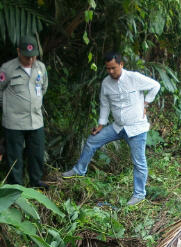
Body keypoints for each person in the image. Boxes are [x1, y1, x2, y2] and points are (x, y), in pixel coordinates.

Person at [62, 52, 161, 206]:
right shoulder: (106, 83)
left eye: (113, 68)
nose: (110, 72)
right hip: (117, 126)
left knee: (139, 162)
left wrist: (146, 103)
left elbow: (155, 85)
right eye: (108, 69)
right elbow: (105, 105)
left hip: (136, 128)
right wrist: (101, 124)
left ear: (121, 65)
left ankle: (139, 195)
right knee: (92, 141)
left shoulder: (134, 78)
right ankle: (79, 170)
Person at [0, 35, 48, 188]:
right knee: (14, 157)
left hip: (36, 120)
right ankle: (16, 187)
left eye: (33, 56)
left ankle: (35, 182)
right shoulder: (7, 68)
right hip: (14, 122)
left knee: (36, 154)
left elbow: (43, 88)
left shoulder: (40, 68)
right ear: (18, 52)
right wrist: (9, 106)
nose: (30, 60)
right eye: (26, 56)